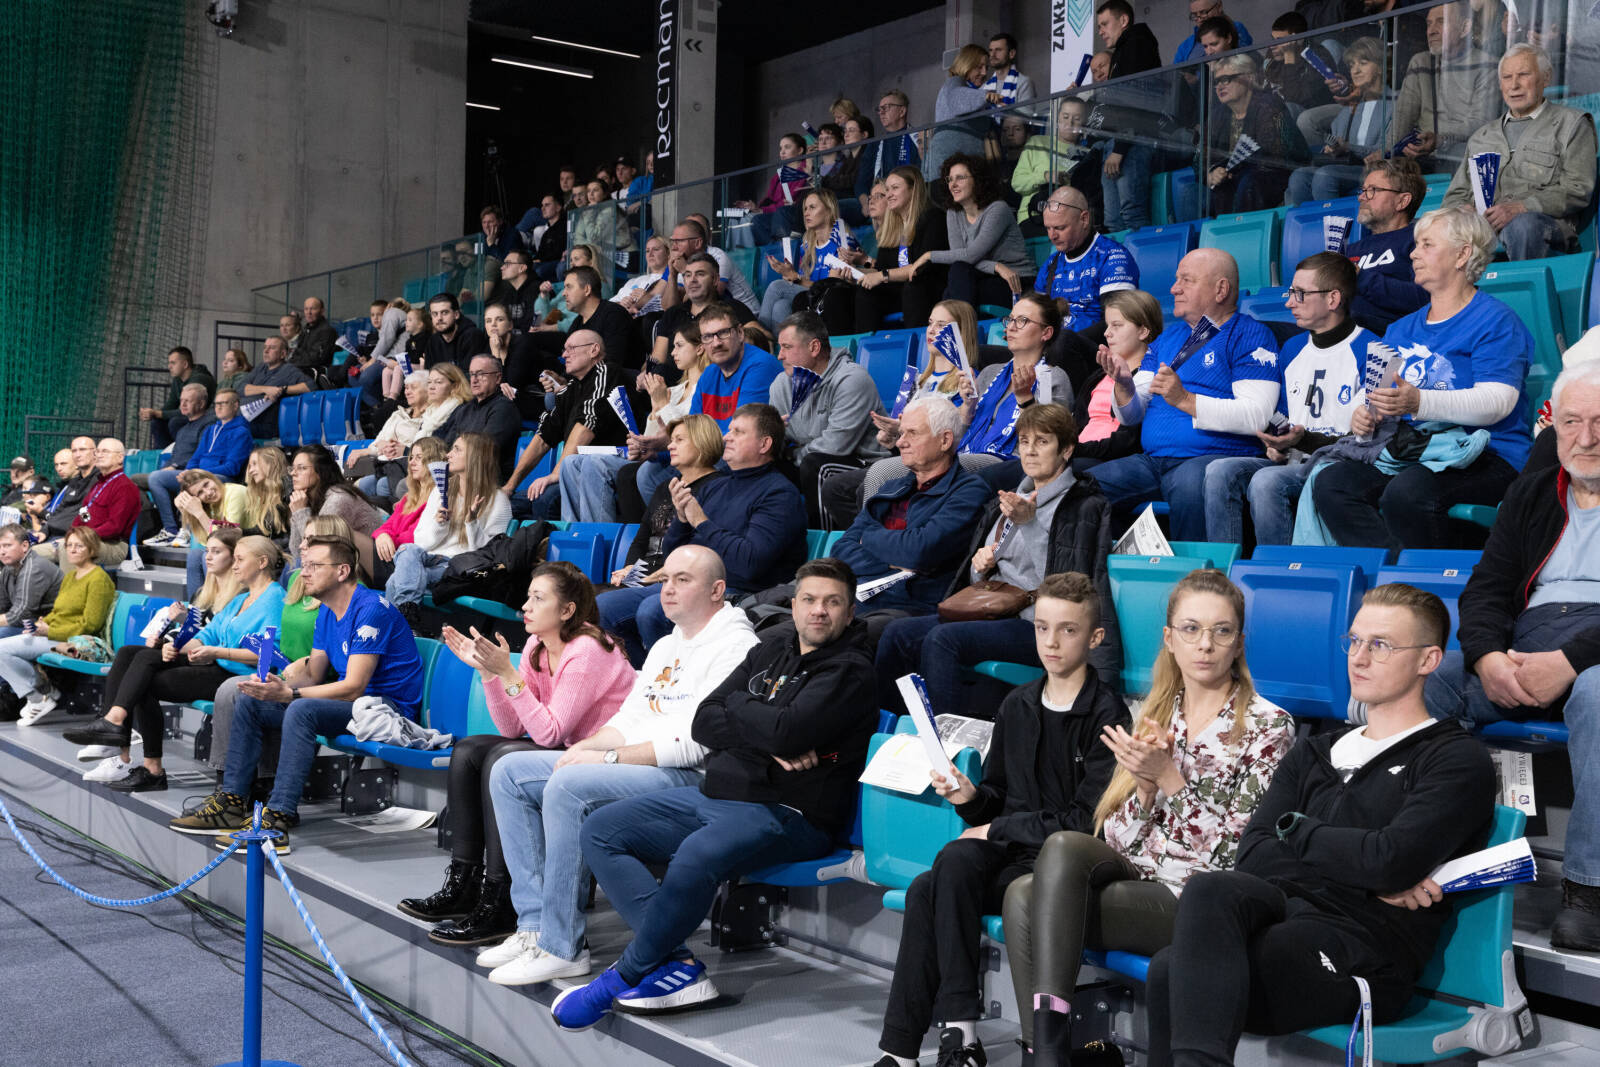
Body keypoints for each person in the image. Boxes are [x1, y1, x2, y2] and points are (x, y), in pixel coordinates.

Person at [1147, 584, 1495, 1066]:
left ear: (1428, 660)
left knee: (1177, 971)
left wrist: (1296, 829)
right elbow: (1254, 853)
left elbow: (1390, 860)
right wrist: (1365, 872)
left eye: (1381, 645)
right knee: (1206, 895)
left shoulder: (1455, 759)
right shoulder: (1316, 751)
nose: (1359, 658)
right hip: (1286, 915)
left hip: (1365, 949)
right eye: (1354, 641)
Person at [554, 558, 877, 1029]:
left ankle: (621, 976)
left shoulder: (851, 671)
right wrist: (768, 730)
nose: (819, 611)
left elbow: (782, 730)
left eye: (833, 602)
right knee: (601, 829)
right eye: (809, 599)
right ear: (793, 605)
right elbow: (705, 719)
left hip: (789, 811)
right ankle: (676, 964)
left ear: (849, 612)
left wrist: (747, 712)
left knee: (694, 856)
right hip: (721, 793)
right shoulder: (773, 645)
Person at [1003, 568, 1293, 1063]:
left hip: (1199, 903)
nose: (1205, 644)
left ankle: (1045, 1057)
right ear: (1170, 639)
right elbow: (1116, 840)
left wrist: (1170, 779)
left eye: (1221, 631)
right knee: (1050, 859)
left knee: (1029, 899)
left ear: (1239, 644)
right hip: (1139, 876)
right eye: (1191, 629)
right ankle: (1048, 1051)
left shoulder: (1269, 727)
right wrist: (1143, 787)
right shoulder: (1156, 712)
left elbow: (1234, 856)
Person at [872, 573, 1126, 1067]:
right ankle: (909, 1051)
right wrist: (970, 798)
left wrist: (995, 827)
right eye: (1042, 628)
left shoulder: (1107, 717)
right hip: (1009, 856)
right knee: (938, 877)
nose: (1051, 642)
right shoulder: (1018, 703)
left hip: (1060, 870)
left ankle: (958, 1035)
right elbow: (1000, 796)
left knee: (936, 880)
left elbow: (1083, 823)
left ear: (1095, 638)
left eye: (1068, 630)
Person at [477, 546, 759, 984]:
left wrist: (605, 757)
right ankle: (533, 926)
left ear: (717, 590)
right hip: (643, 765)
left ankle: (562, 945)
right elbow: (628, 720)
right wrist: (584, 748)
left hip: (693, 779)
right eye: (664, 579)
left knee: (568, 785)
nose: (667, 589)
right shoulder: (666, 644)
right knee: (509, 772)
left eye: (683, 580)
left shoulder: (737, 647)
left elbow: (696, 744)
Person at [1425, 360, 1600, 948]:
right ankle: (1424, 857)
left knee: (1599, 693)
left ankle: (1589, 889)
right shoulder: (1533, 492)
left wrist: (1569, 662)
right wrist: (1486, 658)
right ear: (1555, 427)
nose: (1586, 437)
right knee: (1426, 678)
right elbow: (1486, 590)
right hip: (1524, 649)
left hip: (1592, 659)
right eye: (1572, 422)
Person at [400, 562, 635, 946]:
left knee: (500, 760)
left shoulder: (587, 651)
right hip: (566, 749)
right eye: (528, 597)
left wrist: (507, 676)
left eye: (538, 599)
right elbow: (511, 727)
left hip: (604, 760)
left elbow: (549, 732)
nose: (525, 606)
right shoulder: (536, 647)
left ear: (567, 610)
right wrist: (489, 674)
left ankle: (501, 898)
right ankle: (464, 882)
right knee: (469, 750)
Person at [168, 533, 424, 853]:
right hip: (355, 705)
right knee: (250, 698)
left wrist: (292, 696)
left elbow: (354, 686)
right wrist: (279, 686)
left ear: (342, 571)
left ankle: (279, 815)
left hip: (387, 709)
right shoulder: (328, 611)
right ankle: (233, 801)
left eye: (314, 566)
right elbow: (314, 675)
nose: (304, 573)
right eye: (305, 565)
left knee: (303, 709)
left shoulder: (371, 609)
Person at [875, 403, 1121, 714]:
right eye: (1024, 441)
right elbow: (983, 577)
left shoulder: (1082, 506)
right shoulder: (1006, 500)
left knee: (942, 639)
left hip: (1037, 623)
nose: (1030, 451)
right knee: (897, 633)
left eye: (1042, 441)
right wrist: (980, 567)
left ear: (1066, 450)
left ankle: (945, 737)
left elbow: (1065, 585)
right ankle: (896, 728)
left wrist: (1029, 524)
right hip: (992, 611)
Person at [1311, 206, 1532, 549]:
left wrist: (1419, 401)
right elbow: (1378, 395)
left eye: (1427, 244)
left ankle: (1429, 576)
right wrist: (1365, 414)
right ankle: (1394, 571)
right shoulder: (1400, 328)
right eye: (1415, 245)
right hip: (1414, 451)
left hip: (1489, 453)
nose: (1413, 254)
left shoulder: (1496, 320)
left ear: (1462, 255)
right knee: (1332, 483)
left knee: (1408, 492)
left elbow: (1497, 402)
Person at [1088, 248, 1281, 542]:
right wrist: (1124, 385)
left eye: (1186, 280)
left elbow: (1257, 416)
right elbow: (1132, 416)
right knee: (1083, 489)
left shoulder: (1250, 335)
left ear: (1220, 290)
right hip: (1152, 461)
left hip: (1213, 457)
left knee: (1192, 486)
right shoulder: (1168, 338)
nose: (1174, 288)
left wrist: (1184, 400)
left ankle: (1198, 570)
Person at [65, 535, 284, 791]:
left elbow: (267, 655)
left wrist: (217, 652)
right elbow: (206, 636)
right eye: (233, 559)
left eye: (240, 559)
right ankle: (116, 726)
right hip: (216, 663)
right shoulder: (240, 600)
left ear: (262, 562)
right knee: (130, 653)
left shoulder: (274, 600)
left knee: (143, 680)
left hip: (237, 675)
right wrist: (176, 645)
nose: (235, 565)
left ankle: (141, 757)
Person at [598, 404, 805, 663]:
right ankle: (647, 676)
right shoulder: (716, 487)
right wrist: (682, 520)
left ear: (764, 444)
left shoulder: (779, 494)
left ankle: (679, 678)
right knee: (604, 608)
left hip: (739, 593)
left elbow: (749, 564)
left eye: (738, 432)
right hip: (691, 584)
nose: (727, 437)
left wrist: (701, 522)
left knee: (653, 610)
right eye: (729, 430)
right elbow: (672, 554)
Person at [1204, 253, 1371, 545]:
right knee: (1219, 470)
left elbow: (1364, 442)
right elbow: (1283, 419)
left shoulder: (1370, 349)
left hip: (1337, 466)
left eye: (1300, 294)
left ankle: (1280, 568)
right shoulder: (1292, 348)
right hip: (1294, 460)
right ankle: (1226, 568)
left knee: (1267, 481)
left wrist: (1301, 441)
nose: (1289, 303)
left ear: (1333, 299)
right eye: (1291, 293)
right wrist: (1275, 444)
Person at [833, 395, 993, 621]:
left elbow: (920, 551)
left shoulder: (969, 492)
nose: (900, 442)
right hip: (856, 594)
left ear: (945, 440)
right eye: (901, 433)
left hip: (909, 607)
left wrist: (867, 538)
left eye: (912, 433)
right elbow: (841, 550)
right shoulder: (891, 488)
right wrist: (896, 560)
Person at [1442, 44, 1598, 260]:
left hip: (1544, 226)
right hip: (1483, 229)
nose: (1514, 85)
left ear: (1545, 78)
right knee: (1424, 230)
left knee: (1523, 226)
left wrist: (1523, 207)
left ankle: (1519, 283)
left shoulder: (1572, 124)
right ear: (1500, 84)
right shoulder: (1482, 136)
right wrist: (1463, 209)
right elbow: (1454, 196)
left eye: (1523, 75)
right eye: (1507, 77)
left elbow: (1578, 190)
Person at [562, 322, 708, 525]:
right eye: (673, 346)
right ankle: (575, 533)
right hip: (649, 456)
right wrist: (647, 426)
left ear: (699, 348)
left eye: (679, 346)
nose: (673, 352)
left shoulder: (705, 388)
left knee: (594, 464)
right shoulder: (673, 390)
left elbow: (685, 434)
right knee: (570, 463)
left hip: (670, 459)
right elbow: (651, 434)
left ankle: (601, 534)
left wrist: (661, 403)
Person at [770, 311, 888, 527]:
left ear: (814, 347)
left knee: (816, 466)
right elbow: (776, 439)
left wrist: (793, 454)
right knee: (763, 461)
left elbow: (835, 446)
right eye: (780, 348)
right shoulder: (781, 384)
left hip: (865, 463)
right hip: (810, 458)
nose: (780, 356)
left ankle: (824, 540)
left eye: (787, 347)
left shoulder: (852, 379)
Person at [502, 330, 630, 521]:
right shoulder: (572, 388)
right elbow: (543, 437)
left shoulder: (607, 373)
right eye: (564, 350)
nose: (564, 355)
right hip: (575, 470)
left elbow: (586, 425)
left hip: (611, 466)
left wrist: (555, 474)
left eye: (571, 348)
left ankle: (565, 540)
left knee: (544, 500)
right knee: (509, 505)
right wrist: (509, 487)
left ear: (594, 350)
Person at [386, 433, 512, 619]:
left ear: (475, 457)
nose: (448, 455)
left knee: (395, 580)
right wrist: (440, 525)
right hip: (431, 558)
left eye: (457, 450)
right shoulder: (441, 490)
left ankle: (403, 626)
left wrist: (472, 522)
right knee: (407, 549)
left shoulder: (498, 500)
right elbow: (420, 541)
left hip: (460, 568)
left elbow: (489, 556)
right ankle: (408, 618)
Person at [2, 526, 116, 724]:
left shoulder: (98, 579)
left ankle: (38, 697)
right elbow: (58, 611)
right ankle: (42, 693)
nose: (72, 550)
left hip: (73, 642)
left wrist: (50, 630)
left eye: (78, 546)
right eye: (69, 545)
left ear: (92, 549)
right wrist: (42, 624)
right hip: (52, 634)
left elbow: (90, 624)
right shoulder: (71, 576)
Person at [1030, 189, 1139, 391]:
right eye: (1048, 228)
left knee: (1062, 341)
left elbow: (1118, 322)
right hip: (1053, 349)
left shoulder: (1112, 256)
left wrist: (1057, 342)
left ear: (1084, 218)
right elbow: (1036, 313)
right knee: (987, 355)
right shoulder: (1051, 264)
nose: (1052, 235)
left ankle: (1065, 407)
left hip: (1097, 353)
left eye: (1060, 227)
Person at [957, 293, 1073, 470]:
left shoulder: (1052, 378)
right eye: (1010, 320)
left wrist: (1025, 399)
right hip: (969, 456)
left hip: (1014, 464)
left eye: (1022, 321)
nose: (1011, 327)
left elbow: (1048, 440)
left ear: (1046, 333)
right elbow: (960, 435)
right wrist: (968, 407)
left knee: (940, 466)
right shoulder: (989, 372)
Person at [1385, 1, 1499, 175]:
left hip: (1460, 156)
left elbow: (1481, 122)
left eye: (1441, 22)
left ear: (1465, 28)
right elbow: (1403, 117)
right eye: (1429, 24)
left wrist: (1440, 140)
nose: (1431, 31)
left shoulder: (1488, 65)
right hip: (1418, 153)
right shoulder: (1421, 62)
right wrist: (1385, 154)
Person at [1287, 36, 1395, 203]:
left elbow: (1385, 150)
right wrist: (1332, 148)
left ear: (1381, 67)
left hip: (1377, 169)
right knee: (1299, 176)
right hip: (1347, 168)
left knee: (1325, 176)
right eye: (1352, 65)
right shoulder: (1348, 109)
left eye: (1363, 63)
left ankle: (1333, 220)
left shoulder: (1395, 104)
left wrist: (1347, 147)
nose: (1355, 71)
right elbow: (1339, 146)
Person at [919, 155, 1034, 312]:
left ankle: (957, 325)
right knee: (957, 276)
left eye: (960, 178)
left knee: (952, 293)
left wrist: (929, 256)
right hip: (986, 275)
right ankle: (959, 324)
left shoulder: (998, 209)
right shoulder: (953, 213)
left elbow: (969, 256)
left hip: (1016, 280)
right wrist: (996, 267)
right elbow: (961, 258)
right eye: (950, 179)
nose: (953, 184)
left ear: (978, 180)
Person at [1201, 53, 1311, 215]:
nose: (1219, 87)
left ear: (1249, 78)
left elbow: (1276, 155)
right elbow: (1200, 156)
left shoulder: (1269, 105)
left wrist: (1233, 170)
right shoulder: (1217, 116)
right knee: (1203, 192)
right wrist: (1211, 174)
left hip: (1275, 175)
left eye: (1226, 79)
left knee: (1248, 182)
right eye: (1216, 82)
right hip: (1236, 178)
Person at [146, 389, 253, 547]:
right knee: (156, 478)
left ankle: (188, 532)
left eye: (223, 403)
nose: (218, 407)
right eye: (216, 404)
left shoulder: (241, 432)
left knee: (196, 487)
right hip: (201, 476)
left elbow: (232, 467)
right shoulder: (211, 429)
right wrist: (189, 472)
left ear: (235, 405)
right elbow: (196, 457)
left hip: (220, 478)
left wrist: (202, 475)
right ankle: (171, 530)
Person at [1093, 0, 1165, 232]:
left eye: (1104, 24)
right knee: (1114, 221)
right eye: (1099, 26)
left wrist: (1120, 148)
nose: (1101, 31)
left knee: (1131, 213)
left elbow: (1134, 100)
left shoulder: (1137, 43)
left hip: (1132, 141)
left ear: (1123, 20)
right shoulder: (1124, 49)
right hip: (1119, 142)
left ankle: (1144, 258)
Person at [1071, 289, 1160, 472]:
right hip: (1078, 455)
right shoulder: (1097, 377)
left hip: (1109, 464)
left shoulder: (1151, 378)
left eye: (1116, 325)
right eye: (1107, 325)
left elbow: (1129, 442)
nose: (1106, 333)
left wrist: (1074, 451)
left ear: (1143, 331)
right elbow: (1076, 424)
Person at [352, 364, 469, 500]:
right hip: (409, 462)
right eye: (430, 382)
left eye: (438, 382)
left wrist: (406, 451)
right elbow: (379, 442)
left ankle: (395, 511)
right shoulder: (431, 413)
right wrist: (387, 447)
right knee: (365, 484)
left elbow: (444, 449)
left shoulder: (458, 411)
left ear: (454, 386)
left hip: (435, 468)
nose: (431, 387)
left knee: (386, 484)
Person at [1347, 157, 1430, 331]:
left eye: (1373, 190)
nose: (1362, 197)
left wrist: (1360, 277)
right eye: (1363, 190)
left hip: (1388, 336)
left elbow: (1424, 298)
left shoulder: (1420, 241)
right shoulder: (1352, 249)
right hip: (1339, 333)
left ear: (1402, 201)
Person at [758, 189, 854, 330]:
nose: (806, 213)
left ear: (828, 210)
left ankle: (759, 335)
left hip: (831, 304)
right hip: (808, 299)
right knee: (781, 306)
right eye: (805, 209)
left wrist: (796, 278)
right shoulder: (807, 245)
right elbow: (805, 283)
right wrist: (791, 274)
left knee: (776, 287)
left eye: (812, 207)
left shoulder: (843, 242)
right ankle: (779, 343)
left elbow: (830, 289)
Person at [286, 445, 387, 578]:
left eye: (302, 468)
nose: (293, 473)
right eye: (293, 468)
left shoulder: (338, 498)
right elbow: (296, 552)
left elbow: (316, 544)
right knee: (292, 567)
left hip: (377, 566)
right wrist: (297, 512)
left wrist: (300, 512)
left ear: (320, 472)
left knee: (293, 569)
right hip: (347, 563)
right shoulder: (308, 500)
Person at [36, 439, 139, 567]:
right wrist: (71, 535)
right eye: (98, 451)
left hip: (112, 545)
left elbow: (114, 527)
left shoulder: (125, 486)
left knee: (71, 548)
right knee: (30, 552)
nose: (100, 455)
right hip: (86, 540)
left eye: (105, 451)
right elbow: (83, 515)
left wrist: (81, 537)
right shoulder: (98, 484)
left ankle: (71, 581)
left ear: (120, 458)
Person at [532, 265, 635, 374]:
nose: (563, 293)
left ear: (587, 290)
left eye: (569, 287)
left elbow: (612, 364)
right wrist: (561, 380)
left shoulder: (614, 315)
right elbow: (570, 364)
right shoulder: (577, 323)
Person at [1011, 100, 1096, 227]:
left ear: (1084, 123)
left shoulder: (1088, 154)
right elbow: (1017, 183)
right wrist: (1045, 176)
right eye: (1065, 117)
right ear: (1057, 119)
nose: (1070, 123)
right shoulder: (1038, 142)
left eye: (1077, 119)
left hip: (1069, 221)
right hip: (1035, 216)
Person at [439, 354, 522, 484]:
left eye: (481, 374)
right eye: (472, 374)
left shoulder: (504, 408)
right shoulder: (464, 409)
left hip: (486, 480)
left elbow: (482, 451)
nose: (474, 380)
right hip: (458, 475)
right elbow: (447, 444)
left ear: (498, 378)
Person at [371, 438, 447, 580]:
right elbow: (388, 525)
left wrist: (387, 539)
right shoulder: (409, 497)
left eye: (419, 457)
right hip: (392, 554)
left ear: (433, 461)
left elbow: (415, 537)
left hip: (409, 562)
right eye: (411, 457)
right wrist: (382, 535)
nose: (411, 462)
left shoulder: (438, 497)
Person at [659, 217, 759, 318]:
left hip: (746, 316)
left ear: (697, 243)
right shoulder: (682, 261)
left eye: (679, 241)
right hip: (714, 316)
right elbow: (668, 308)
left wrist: (685, 272)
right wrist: (672, 275)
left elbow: (707, 298)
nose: (674, 247)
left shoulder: (718, 257)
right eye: (673, 241)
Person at [925, 45, 994, 185]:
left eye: (986, 67)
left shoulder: (968, 89)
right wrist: (985, 96)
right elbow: (957, 99)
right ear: (966, 64)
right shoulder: (954, 82)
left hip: (956, 169)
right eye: (979, 67)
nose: (984, 72)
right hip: (949, 169)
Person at [137, 346, 217, 449]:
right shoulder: (177, 380)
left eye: (173, 363)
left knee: (175, 422)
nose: (169, 366)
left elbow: (189, 410)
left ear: (185, 364)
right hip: (190, 415)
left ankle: (183, 451)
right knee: (157, 422)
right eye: (169, 363)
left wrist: (158, 413)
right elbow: (170, 404)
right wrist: (153, 414)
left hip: (207, 416)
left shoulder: (199, 378)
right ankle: (164, 454)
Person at [0, 523, 60, 651]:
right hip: (28, 624)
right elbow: (2, 606)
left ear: (25, 546)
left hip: (49, 629)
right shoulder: (8, 569)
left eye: (7, 546)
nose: (2, 552)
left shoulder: (34, 568)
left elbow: (21, 613)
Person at [857, 90, 923, 200]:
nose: (881, 112)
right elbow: (862, 182)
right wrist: (865, 203)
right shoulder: (874, 144)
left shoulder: (918, 139)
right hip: (880, 198)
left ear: (902, 111)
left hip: (910, 196)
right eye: (879, 109)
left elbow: (923, 175)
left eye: (886, 108)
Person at [240, 336, 312, 437]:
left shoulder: (289, 370)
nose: (266, 351)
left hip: (266, 424)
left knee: (232, 430)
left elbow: (310, 387)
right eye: (265, 347)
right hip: (248, 417)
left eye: (272, 348)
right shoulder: (261, 367)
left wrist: (283, 389)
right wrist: (266, 389)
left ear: (283, 354)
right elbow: (240, 388)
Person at [1263, 12, 1335, 111]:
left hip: (1311, 110)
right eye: (1273, 39)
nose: (1272, 46)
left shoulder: (1317, 58)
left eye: (1279, 41)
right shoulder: (1274, 56)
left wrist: (1289, 56)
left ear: (1298, 40)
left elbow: (1296, 99)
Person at [482, 302, 541, 422]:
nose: (493, 324)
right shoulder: (487, 348)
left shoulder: (522, 344)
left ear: (510, 325)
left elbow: (510, 386)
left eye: (499, 319)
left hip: (531, 401)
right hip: (505, 406)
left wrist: (496, 354)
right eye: (488, 321)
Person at [42, 438, 97, 543]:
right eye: (74, 451)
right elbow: (59, 511)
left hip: (74, 538)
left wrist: (72, 537)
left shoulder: (100, 481)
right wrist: (44, 530)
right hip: (54, 534)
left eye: (82, 449)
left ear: (95, 453)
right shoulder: (73, 483)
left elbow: (87, 517)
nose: (78, 454)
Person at [423, 292, 490, 370]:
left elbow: (468, 374)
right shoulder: (432, 341)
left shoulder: (472, 336)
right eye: (435, 314)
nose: (439, 318)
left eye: (444, 313)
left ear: (456, 315)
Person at [1174, 0, 1252, 63]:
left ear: (1219, 6)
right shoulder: (1185, 46)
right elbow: (1175, 75)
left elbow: (1245, 63)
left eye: (1203, 12)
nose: (1199, 19)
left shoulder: (1236, 28)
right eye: (1194, 15)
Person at [486, 249, 539, 335]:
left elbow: (533, 327)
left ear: (522, 268)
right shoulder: (509, 292)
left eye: (507, 263)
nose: (502, 267)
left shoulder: (538, 290)